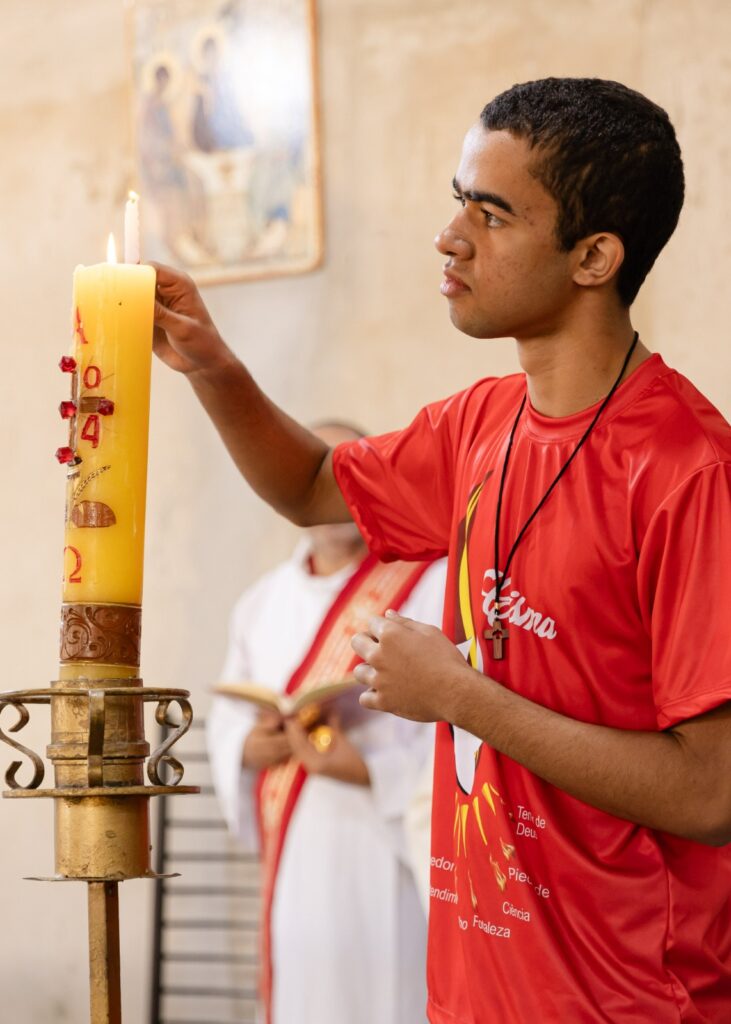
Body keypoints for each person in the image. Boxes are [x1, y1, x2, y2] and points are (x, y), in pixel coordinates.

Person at [152, 77, 731, 1022]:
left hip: (627, 998)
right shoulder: (480, 424)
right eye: (456, 200)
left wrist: (459, 697)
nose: (450, 235)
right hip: (478, 985)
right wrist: (211, 363)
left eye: (491, 213)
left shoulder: (688, 472)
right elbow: (310, 487)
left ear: (593, 256)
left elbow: (711, 792)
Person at [206, 422, 446, 1024]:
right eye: (323, 470)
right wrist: (246, 746)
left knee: (392, 987)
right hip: (297, 842)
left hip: (385, 839)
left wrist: (371, 769)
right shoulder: (263, 600)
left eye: (352, 469)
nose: (337, 486)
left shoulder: (429, 582)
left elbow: (461, 722)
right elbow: (229, 713)